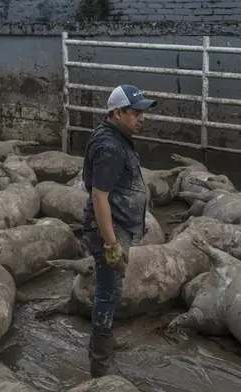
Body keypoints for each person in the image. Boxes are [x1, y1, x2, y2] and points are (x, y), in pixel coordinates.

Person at [81, 84, 156, 377]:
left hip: (119, 225)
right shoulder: (110, 146)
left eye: (143, 112)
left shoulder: (117, 137)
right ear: (117, 112)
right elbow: (99, 196)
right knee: (106, 292)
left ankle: (103, 343)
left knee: (111, 289)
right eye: (136, 112)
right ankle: (99, 361)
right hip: (109, 230)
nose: (142, 118)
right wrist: (111, 245)